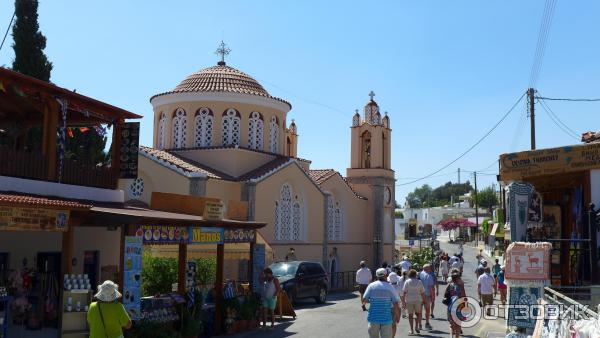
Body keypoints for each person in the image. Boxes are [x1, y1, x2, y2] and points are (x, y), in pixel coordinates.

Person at [362, 268, 401, 338]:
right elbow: (396, 304)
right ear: (386, 275)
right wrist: (398, 316)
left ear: (376, 276)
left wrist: (372, 300)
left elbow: (364, 300)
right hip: (386, 319)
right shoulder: (390, 287)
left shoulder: (371, 286)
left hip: (373, 319)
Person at [444, 269, 466, 338]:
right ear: (458, 279)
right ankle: (457, 337)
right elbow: (463, 297)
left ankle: (451, 336)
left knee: (451, 324)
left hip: (450, 307)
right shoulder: (460, 286)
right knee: (458, 324)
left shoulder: (449, 285)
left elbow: (445, 295)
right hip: (459, 306)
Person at [402, 269, 425, 335]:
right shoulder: (419, 281)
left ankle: (411, 330)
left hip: (409, 300)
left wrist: (403, 302)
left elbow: (404, 292)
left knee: (410, 315)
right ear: (415, 274)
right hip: (418, 299)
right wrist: (423, 300)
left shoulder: (407, 282)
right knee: (418, 314)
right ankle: (416, 326)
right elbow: (423, 292)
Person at [418, 264, 435, 330]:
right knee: (427, 309)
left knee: (419, 310)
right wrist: (432, 296)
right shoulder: (429, 275)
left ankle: (419, 324)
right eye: (430, 268)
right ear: (427, 269)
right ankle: (427, 323)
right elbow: (431, 287)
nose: (431, 269)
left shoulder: (419, 274)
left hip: (419, 294)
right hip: (426, 295)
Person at [388, 272, 404, 337]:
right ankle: (392, 336)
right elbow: (402, 297)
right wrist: (404, 303)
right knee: (394, 324)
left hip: (387, 306)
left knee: (386, 324)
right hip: (396, 307)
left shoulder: (387, 286)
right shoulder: (399, 287)